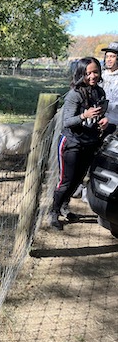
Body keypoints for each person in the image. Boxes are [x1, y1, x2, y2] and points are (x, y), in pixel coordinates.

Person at [50, 57, 116, 230]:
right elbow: (67, 122)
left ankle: (64, 206)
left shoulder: (99, 92)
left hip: (90, 142)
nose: (92, 76)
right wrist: (84, 116)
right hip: (71, 142)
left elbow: (99, 114)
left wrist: (103, 120)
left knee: (78, 179)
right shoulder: (75, 94)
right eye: (88, 73)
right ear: (80, 74)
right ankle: (54, 212)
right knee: (66, 180)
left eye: (95, 72)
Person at [101, 42, 118, 125]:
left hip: (114, 121)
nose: (109, 59)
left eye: (112, 56)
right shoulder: (100, 75)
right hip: (98, 118)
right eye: (107, 56)